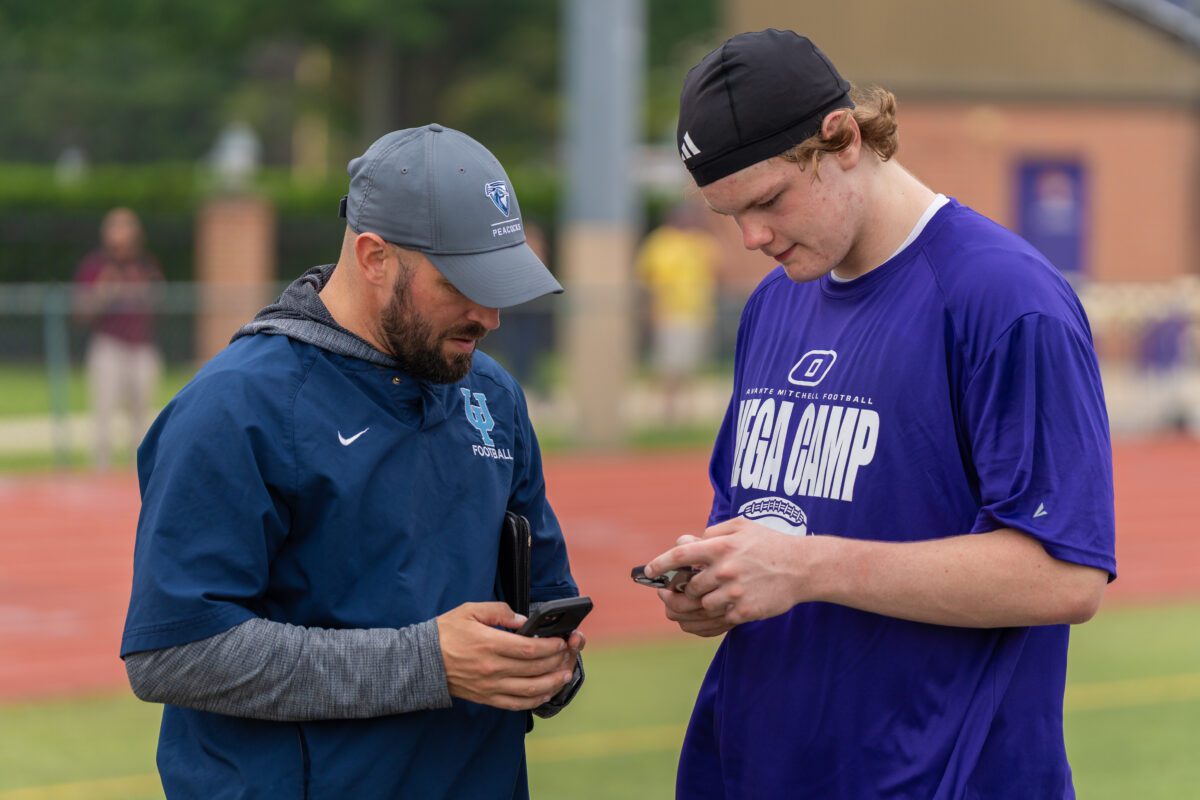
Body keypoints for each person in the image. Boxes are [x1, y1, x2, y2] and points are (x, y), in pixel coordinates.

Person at [641, 29, 1115, 798]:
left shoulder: (1003, 297)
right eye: (729, 215)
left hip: (940, 776)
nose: (751, 237)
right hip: (763, 768)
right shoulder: (773, 303)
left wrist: (806, 568)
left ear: (843, 138)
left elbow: (1066, 574)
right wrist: (716, 585)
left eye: (766, 201)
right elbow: (763, 531)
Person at [121, 124, 586, 799]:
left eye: (502, 285)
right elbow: (172, 653)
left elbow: (542, 597)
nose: (488, 314)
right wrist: (426, 663)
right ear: (373, 257)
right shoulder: (235, 406)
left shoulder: (492, 396)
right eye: (461, 283)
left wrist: (548, 669)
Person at [72, 207, 163, 469]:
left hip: (141, 347)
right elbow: (80, 312)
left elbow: (161, 302)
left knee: (143, 419)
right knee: (103, 417)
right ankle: (101, 474)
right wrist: (104, 293)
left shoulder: (145, 264)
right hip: (108, 346)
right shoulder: (96, 265)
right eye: (115, 226)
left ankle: (140, 478)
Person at [636, 203, 721, 424]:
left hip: (697, 313)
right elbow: (647, 278)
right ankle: (666, 412)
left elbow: (721, 266)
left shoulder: (699, 242)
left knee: (690, 367)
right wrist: (652, 312)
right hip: (669, 314)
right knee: (668, 367)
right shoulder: (660, 242)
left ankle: (686, 413)